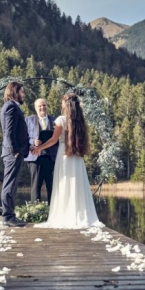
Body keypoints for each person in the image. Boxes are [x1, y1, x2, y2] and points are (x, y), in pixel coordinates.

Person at [32, 93, 104, 229]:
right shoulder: (80, 121)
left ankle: (65, 214)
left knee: (64, 185)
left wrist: (39, 148)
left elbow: (53, 140)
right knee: (78, 185)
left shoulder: (61, 120)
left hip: (64, 155)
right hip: (77, 156)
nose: (61, 105)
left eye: (63, 102)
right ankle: (79, 215)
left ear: (67, 105)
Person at [0, 81, 30, 227]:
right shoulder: (10, 107)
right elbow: (8, 132)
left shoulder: (12, 107)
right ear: (15, 92)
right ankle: (7, 217)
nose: (24, 95)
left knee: (12, 185)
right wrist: (15, 151)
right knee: (9, 185)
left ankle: (10, 215)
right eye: (22, 92)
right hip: (13, 153)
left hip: (16, 153)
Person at [25, 98, 58, 203]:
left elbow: (60, 138)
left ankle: (53, 211)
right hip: (35, 157)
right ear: (35, 108)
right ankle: (35, 211)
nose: (42, 107)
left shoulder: (55, 121)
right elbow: (23, 137)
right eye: (39, 106)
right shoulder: (28, 120)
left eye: (44, 105)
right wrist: (33, 141)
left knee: (52, 185)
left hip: (51, 157)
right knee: (36, 185)